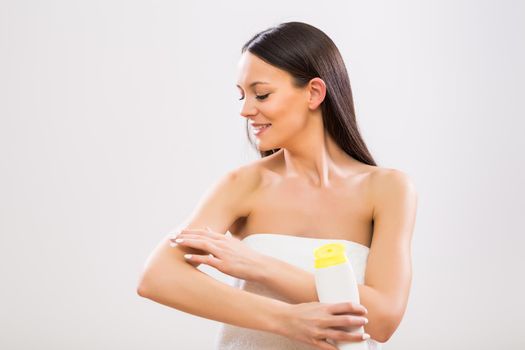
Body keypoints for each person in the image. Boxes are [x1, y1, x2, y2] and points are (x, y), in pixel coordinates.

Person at [137, 21, 418, 350]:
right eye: (242, 96)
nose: (245, 110)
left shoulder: (388, 189)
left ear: (314, 92)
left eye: (262, 94)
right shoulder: (242, 185)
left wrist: (259, 266)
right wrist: (288, 320)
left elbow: (383, 319)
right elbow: (157, 277)